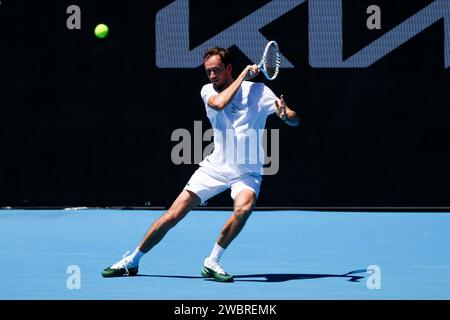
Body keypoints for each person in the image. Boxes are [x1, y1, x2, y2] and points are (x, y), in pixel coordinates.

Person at [101, 47, 299, 282]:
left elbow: (294, 118)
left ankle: (212, 261)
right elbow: (219, 104)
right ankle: (131, 261)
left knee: (244, 208)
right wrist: (244, 75)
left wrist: (287, 116)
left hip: (247, 172)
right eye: (208, 72)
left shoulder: (259, 91)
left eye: (217, 70)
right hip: (215, 168)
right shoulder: (207, 91)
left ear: (228, 68)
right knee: (172, 216)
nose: (212, 76)